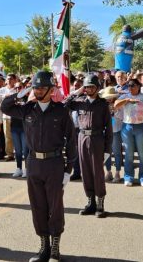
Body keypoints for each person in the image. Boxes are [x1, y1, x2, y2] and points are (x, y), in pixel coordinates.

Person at [0, 71, 77, 262]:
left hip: (54, 163)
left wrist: (68, 170)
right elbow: (5, 107)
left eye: (42, 87)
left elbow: (71, 141)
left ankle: (55, 246)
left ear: (51, 90)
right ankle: (44, 246)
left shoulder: (61, 111)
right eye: (36, 87)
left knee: (55, 206)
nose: (38, 91)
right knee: (38, 205)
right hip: (33, 163)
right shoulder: (27, 109)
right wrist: (21, 92)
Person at [63, 74, 112, 218]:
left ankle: (100, 202)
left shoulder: (102, 104)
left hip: (97, 138)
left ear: (97, 88)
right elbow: (64, 105)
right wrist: (77, 92)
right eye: (87, 87)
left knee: (97, 172)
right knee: (85, 171)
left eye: (92, 86)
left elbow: (108, 129)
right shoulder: (79, 101)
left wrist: (107, 149)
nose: (89, 89)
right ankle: (90, 201)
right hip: (82, 137)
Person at [113, 79, 143, 187]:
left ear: (138, 86)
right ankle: (128, 177)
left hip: (141, 126)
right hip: (127, 126)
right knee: (128, 154)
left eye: (133, 85)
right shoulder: (125, 96)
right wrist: (127, 100)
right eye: (129, 85)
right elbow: (116, 105)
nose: (130, 87)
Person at [100, 87, 123, 183]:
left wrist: (115, 111)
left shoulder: (119, 104)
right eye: (107, 97)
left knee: (117, 152)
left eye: (111, 97)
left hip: (116, 131)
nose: (109, 99)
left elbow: (122, 117)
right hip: (105, 131)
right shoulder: (102, 105)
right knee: (106, 153)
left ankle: (117, 172)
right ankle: (108, 172)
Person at [0, 74, 19, 162]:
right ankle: (10, 154)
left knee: (17, 135)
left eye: (11, 79)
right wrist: (4, 96)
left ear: (15, 80)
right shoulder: (1, 90)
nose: (9, 80)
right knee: (8, 136)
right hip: (6, 116)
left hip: (17, 117)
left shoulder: (17, 89)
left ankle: (18, 153)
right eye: (7, 79)